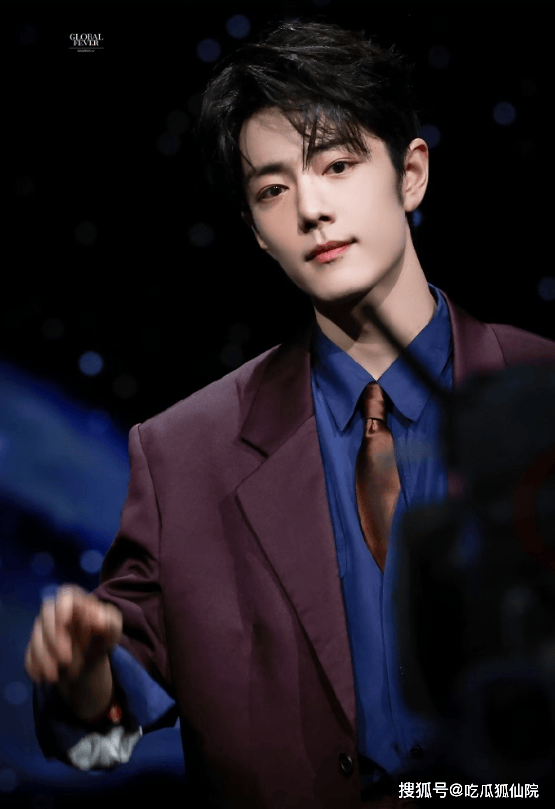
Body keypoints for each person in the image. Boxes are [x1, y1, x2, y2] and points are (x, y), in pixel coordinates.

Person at [25, 19, 555, 809]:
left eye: (336, 164)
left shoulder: (542, 392)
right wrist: (84, 676)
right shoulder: (183, 454)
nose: (309, 207)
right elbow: (111, 688)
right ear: (257, 234)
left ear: (410, 174)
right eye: (272, 189)